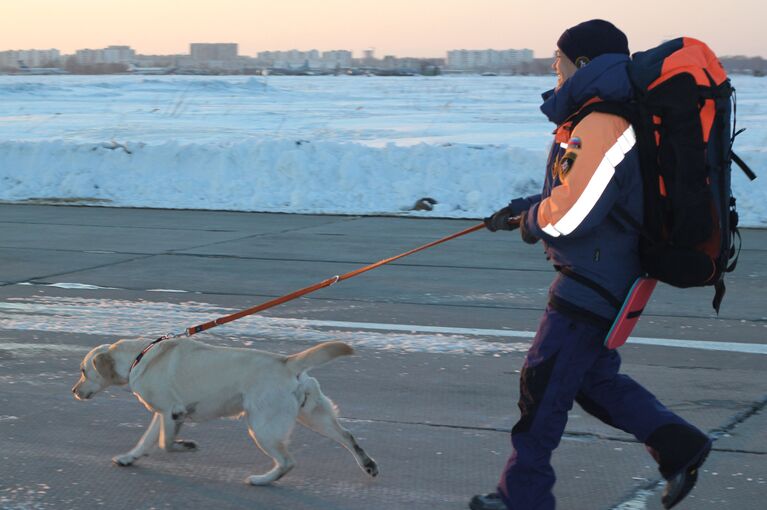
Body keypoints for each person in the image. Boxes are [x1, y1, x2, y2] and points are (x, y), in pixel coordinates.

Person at [472, 20, 711, 510]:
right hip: (604, 275)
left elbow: (576, 212)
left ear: (582, 64)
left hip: (591, 281)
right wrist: (523, 207)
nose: (553, 71)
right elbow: (578, 190)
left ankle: (523, 498)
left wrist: (534, 221)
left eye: (558, 61)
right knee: (590, 380)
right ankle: (679, 444)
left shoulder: (602, 123)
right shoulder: (600, 117)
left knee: (541, 391)